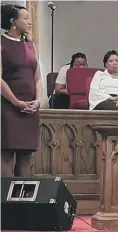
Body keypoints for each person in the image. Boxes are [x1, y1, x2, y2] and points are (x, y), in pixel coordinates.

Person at [1, 4, 42, 176]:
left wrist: (38, 100)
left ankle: (24, 201)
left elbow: (37, 77)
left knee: (26, 156)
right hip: (8, 106)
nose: (29, 22)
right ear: (13, 21)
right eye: (25, 18)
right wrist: (16, 102)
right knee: (7, 155)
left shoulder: (30, 45)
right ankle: (4, 201)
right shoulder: (2, 43)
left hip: (30, 107)